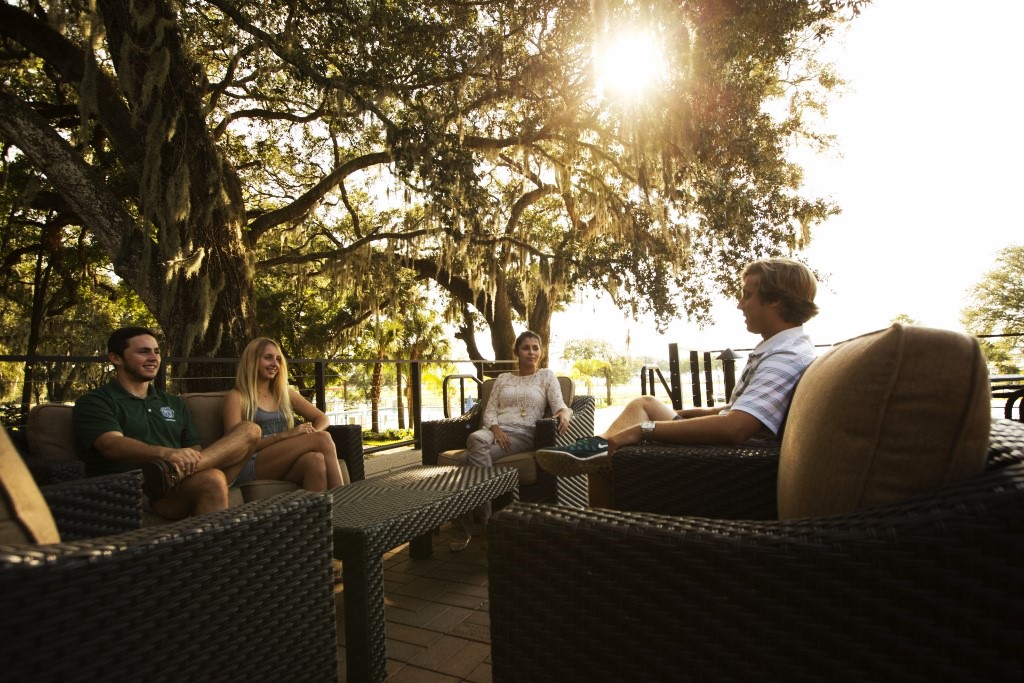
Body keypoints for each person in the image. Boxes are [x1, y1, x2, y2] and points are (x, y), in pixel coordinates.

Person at [538, 257, 819, 505]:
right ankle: (594, 448)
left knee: (608, 461)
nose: (740, 304)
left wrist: (643, 430)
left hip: (731, 461)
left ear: (775, 300)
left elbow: (736, 428)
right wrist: (683, 414)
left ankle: (599, 516)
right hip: (727, 449)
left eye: (747, 295)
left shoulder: (785, 356)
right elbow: (737, 410)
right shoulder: (779, 349)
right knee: (645, 403)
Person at [73, 327, 261, 519]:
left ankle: (172, 473)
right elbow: (111, 445)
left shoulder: (173, 403)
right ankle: (169, 475)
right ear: (116, 358)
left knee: (250, 429)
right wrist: (167, 454)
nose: (154, 358)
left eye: (157, 351)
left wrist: (179, 467)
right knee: (212, 479)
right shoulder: (96, 401)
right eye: (143, 351)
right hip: (138, 488)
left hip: (180, 481)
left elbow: (194, 449)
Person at [450, 330, 573, 551]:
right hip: (495, 432)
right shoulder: (503, 379)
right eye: (526, 348)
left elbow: (559, 405)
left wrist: (565, 413)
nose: (531, 352)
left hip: (523, 435)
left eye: (535, 348)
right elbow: (489, 412)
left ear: (541, 351)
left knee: (464, 462)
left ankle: (463, 528)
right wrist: (496, 430)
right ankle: (487, 519)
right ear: (516, 352)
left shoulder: (546, 376)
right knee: (476, 438)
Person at [222, 337, 345, 492]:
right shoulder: (237, 397)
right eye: (268, 358)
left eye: (278, 359)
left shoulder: (285, 393)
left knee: (316, 460)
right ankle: (345, 502)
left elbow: (322, 418)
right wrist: (286, 436)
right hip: (251, 464)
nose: (275, 364)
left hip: (282, 461)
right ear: (252, 361)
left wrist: (312, 435)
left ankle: (315, 515)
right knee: (324, 438)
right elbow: (233, 448)